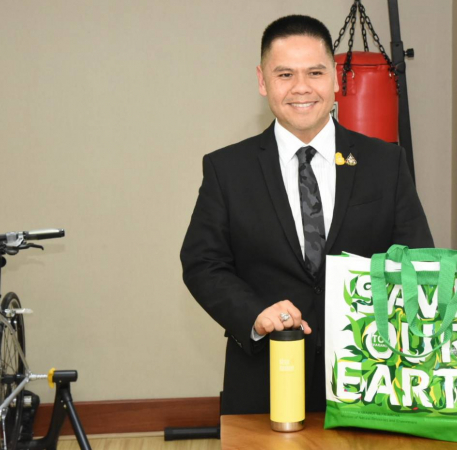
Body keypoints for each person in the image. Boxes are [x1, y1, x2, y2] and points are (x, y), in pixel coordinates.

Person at [180, 14, 433, 415]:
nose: (301, 87)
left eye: (315, 72)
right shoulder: (227, 169)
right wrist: (254, 314)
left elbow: (417, 258)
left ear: (335, 79)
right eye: (285, 74)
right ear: (262, 81)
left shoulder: (386, 163)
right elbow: (202, 263)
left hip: (371, 376)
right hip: (265, 375)